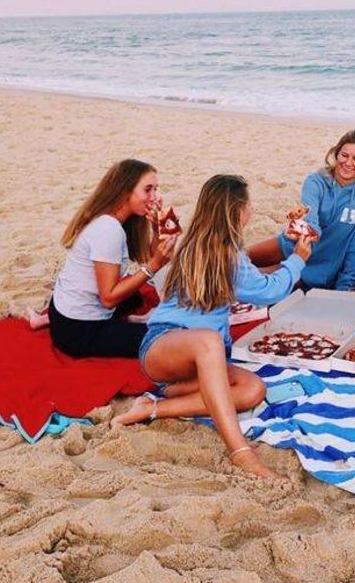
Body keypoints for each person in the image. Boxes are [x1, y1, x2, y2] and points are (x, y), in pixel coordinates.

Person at [112, 174, 313, 479]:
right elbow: (271, 290)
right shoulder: (210, 251)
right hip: (165, 347)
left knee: (253, 389)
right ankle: (240, 451)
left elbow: (250, 275)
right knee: (208, 341)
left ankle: (152, 408)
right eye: (249, 206)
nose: (252, 212)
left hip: (196, 368)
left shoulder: (216, 250)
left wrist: (287, 244)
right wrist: (297, 259)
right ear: (236, 213)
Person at [48, 159, 176, 359]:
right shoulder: (108, 230)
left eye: (156, 190)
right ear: (125, 191)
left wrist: (157, 229)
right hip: (77, 329)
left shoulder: (115, 218)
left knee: (136, 297)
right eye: (148, 190)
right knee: (163, 339)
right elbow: (108, 299)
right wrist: (153, 265)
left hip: (62, 311)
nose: (154, 197)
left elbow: (150, 256)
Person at [247, 129, 355, 292]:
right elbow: (310, 220)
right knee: (236, 261)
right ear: (336, 154)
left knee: (254, 280)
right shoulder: (315, 181)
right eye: (344, 155)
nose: (348, 163)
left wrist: (346, 285)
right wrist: (305, 228)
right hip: (296, 245)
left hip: (320, 269)